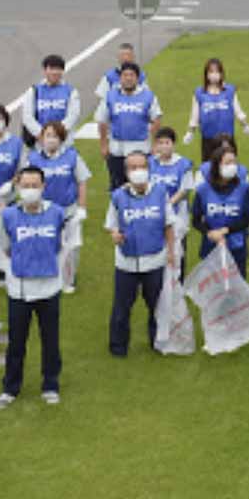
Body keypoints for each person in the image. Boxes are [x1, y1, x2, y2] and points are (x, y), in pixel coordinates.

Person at [0, 167, 67, 408]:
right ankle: (10, 388)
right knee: (16, 342)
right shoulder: (9, 215)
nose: (30, 190)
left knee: (50, 340)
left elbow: (61, 245)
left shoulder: (57, 213)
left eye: (35, 185)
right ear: (18, 187)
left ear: (43, 187)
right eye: (25, 186)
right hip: (19, 289)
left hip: (49, 287)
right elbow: (4, 246)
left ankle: (50, 385)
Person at [107, 151, 175, 356]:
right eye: (133, 167)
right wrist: (115, 234)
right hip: (126, 263)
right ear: (126, 172)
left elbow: (168, 225)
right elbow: (112, 225)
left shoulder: (160, 193)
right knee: (121, 308)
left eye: (142, 167)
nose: (138, 171)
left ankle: (158, 341)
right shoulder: (118, 196)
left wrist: (171, 252)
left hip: (155, 261)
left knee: (157, 306)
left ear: (149, 169)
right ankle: (118, 347)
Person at [22, 121, 91, 293]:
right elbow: (24, 182)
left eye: (55, 136)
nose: (51, 139)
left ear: (62, 139)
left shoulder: (72, 156)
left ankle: (69, 279)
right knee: (44, 245)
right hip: (42, 212)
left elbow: (82, 181)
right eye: (48, 135)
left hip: (68, 210)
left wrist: (82, 207)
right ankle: (45, 277)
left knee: (71, 248)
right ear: (41, 138)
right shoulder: (33, 158)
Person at [190, 141, 249, 278]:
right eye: (228, 162)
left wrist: (225, 231)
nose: (232, 166)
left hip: (236, 245)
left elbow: (247, 219)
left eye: (234, 162)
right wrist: (209, 233)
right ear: (217, 165)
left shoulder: (244, 188)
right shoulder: (203, 190)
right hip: (211, 247)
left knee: (236, 284)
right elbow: (196, 220)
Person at [96, 61, 162, 195]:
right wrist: (103, 144)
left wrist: (155, 144)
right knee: (118, 187)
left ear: (137, 78)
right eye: (125, 75)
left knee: (141, 185)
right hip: (117, 148)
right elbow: (102, 121)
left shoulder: (148, 96)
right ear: (120, 78)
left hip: (141, 148)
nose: (128, 78)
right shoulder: (110, 96)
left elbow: (156, 120)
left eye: (131, 75)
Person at [12, 52, 81, 146]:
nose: (55, 72)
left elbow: (73, 116)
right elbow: (27, 116)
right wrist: (42, 134)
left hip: (64, 142)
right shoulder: (34, 91)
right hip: (39, 143)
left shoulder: (71, 92)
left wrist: (56, 134)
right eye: (51, 68)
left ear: (62, 71)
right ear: (45, 70)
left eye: (58, 69)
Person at [186, 56, 249, 147]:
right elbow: (195, 116)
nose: (214, 75)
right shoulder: (199, 93)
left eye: (217, 72)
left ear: (221, 74)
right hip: (208, 139)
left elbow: (238, 111)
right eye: (211, 72)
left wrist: (245, 125)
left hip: (227, 139)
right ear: (206, 74)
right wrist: (190, 132)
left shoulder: (229, 91)